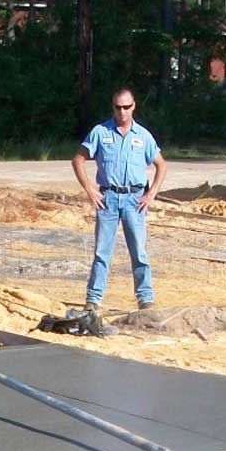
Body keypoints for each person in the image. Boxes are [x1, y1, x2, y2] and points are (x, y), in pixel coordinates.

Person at [72, 88, 167, 313]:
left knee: (139, 251)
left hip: (135, 200)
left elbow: (161, 165)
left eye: (126, 107)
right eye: (118, 107)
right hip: (108, 199)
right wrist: (90, 190)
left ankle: (145, 298)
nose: (122, 112)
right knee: (102, 252)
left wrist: (151, 193)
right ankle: (93, 299)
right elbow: (78, 160)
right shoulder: (100, 132)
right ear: (113, 107)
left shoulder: (143, 136)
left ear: (134, 106)